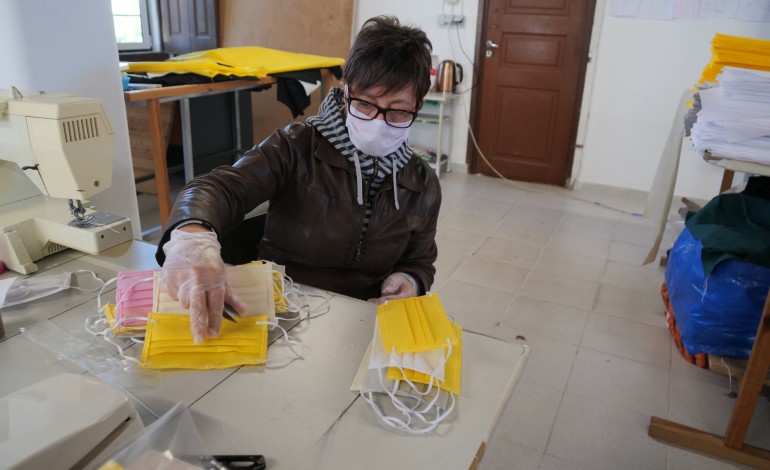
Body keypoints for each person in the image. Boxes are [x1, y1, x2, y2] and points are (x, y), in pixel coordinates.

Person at [156, 16, 441, 344]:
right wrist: (193, 236)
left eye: (397, 111)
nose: (378, 122)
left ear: (418, 106)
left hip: (358, 321)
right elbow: (221, 187)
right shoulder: (297, 146)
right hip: (283, 310)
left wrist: (410, 280)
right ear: (346, 91)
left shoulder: (423, 185)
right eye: (364, 104)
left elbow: (420, 260)